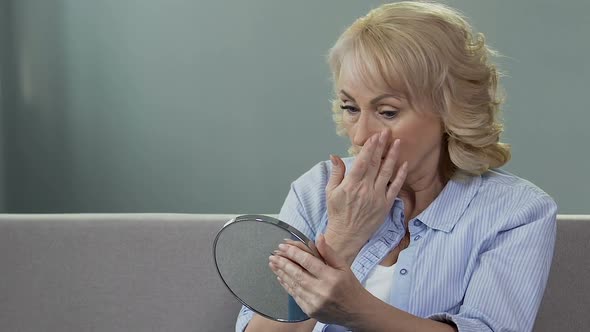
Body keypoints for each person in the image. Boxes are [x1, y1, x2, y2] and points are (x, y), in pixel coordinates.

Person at [236, 1, 557, 331]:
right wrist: (343, 236)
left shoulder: (517, 212)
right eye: (350, 107)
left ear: (450, 111)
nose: (360, 135)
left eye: (387, 112)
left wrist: (354, 308)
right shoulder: (315, 190)